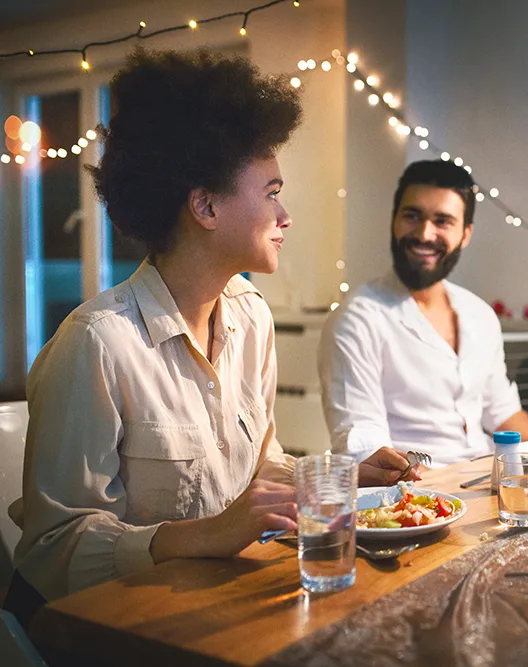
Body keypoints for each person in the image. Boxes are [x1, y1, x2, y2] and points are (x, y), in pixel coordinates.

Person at [4, 50, 416, 623]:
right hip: (113, 634)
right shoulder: (98, 344)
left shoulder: (251, 317)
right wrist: (202, 535)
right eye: (271, 191)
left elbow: (258, 465)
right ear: (204, 204)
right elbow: (52, 551)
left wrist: (333, 476)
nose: (285, 214)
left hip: (217, 605)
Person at [319, 160, 528, 467]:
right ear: (394, 221)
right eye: (412, 216)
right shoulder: (358, 319)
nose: (425, 234)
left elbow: (504, 413)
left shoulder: (479, 314)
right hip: (417, 497)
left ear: (465, 234)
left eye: (442, 221)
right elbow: (363, 446)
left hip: (488, 484)